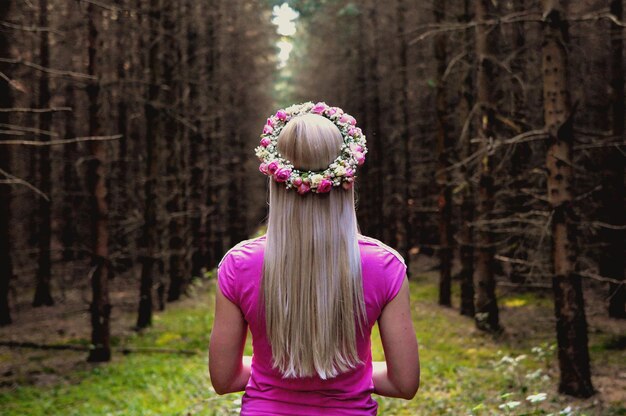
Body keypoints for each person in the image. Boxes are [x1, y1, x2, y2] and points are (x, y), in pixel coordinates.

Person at [209, 102, 420, 415]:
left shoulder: (238, 264)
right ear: (346, 180)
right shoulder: (385, 265)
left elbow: (224, 379)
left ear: (275, 178)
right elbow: (404, 384)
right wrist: (351, 375)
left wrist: (278, 377)